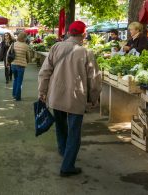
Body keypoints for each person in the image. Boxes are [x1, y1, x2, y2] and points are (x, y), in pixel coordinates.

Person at [38, 21, 101, 177]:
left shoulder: (55, 47)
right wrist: (94, 98)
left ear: (69, 33)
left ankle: (63, 150)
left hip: (56, 95)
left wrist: (42, 91)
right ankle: (67, 166)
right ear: (83, 35)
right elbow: (94, 79)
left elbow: (45, 71)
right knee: (74, 132)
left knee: (60, 126)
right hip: (75, 97)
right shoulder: (86, 52)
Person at [10, 32, 30, 101]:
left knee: (15, 79)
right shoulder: (26, 46)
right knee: (19, 81)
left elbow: (9, 53)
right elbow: (28, 57)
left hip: (13, 64)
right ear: (24, 38)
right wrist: (27, 61)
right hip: (21, 65)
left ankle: (14, 94)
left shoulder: (14, 44)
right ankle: (18, 97)